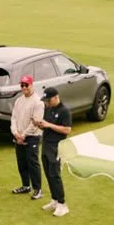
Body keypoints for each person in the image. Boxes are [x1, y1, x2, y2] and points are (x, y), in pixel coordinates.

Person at [38, 85, 73, 216]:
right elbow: (46, 126)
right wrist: (40, 125)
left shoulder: (64, 111)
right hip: (46, 145)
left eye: (48, 100)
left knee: (54, 174)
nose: (46, 103)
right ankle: (55, 200)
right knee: (48, 173)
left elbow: (67, 130)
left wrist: (49, 125)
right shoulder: (48, 109)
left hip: (57, 146)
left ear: (56, 97)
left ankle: (62, 204)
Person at [10, 75, 46, 198]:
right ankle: (26, 185)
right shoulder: (19, 100)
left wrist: (23, 135)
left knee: (32, 162)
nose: (24, 87)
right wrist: (15, 132)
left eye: (26, 85)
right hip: (18, 135)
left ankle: (38, 189)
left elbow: (36, 121)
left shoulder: (38, 102)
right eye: (22, 85)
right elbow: (14, 118)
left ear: (31, 85)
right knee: (21, 162)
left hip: (32, 136)